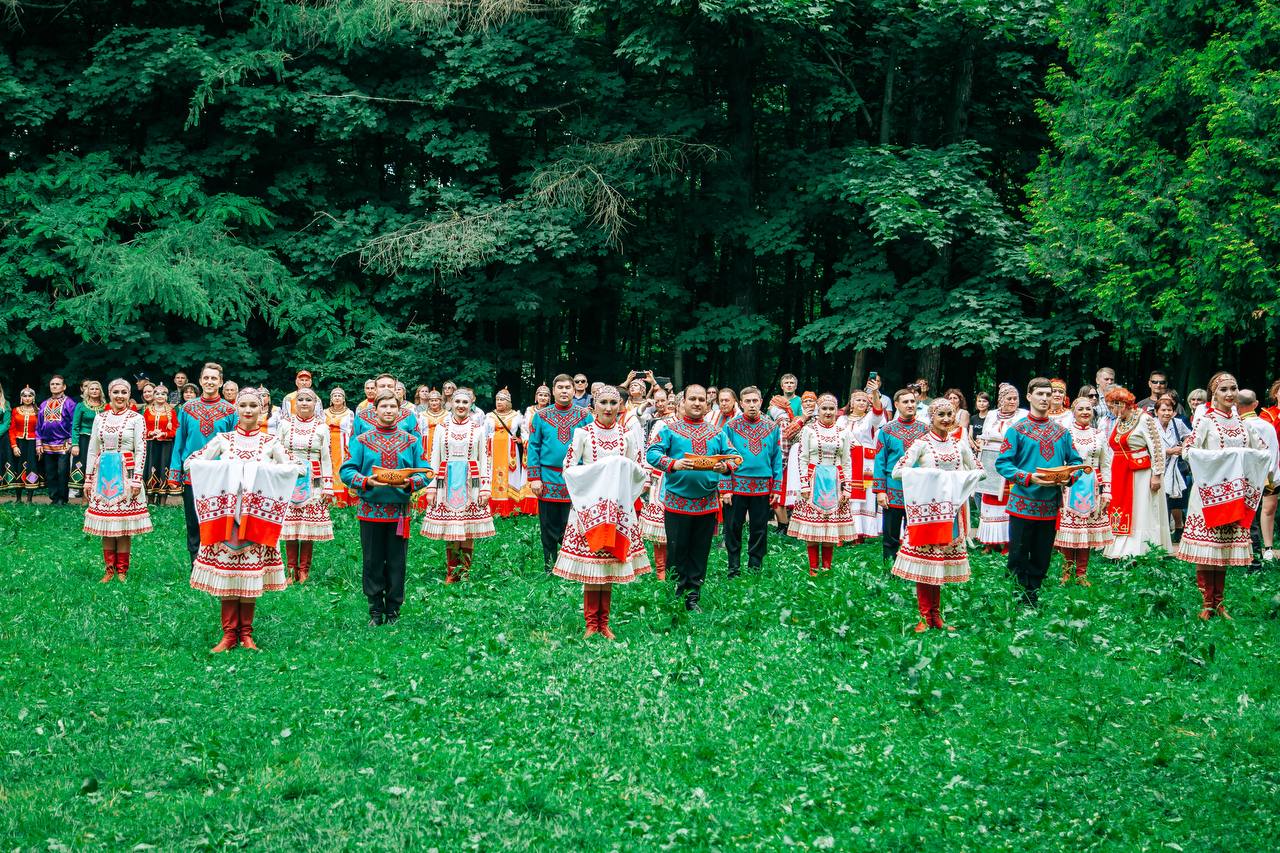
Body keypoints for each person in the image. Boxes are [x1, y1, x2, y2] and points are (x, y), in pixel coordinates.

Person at [186, 387, 297, 652]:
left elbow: (295, 468)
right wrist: (229, 470)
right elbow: (192, 462)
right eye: (243, 405)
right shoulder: (223, 439)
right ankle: (228, 635)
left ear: (262, 410)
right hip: (226, 517)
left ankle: (246, 634)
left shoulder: (271, 443)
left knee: (250, 575)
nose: (248, 410)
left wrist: (263, 471)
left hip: (256, 517)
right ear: (236, 409)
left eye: (253, 406)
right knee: (228, 575)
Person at [553, 386, 650, 637]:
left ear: (620, 406)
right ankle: (590, 623)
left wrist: (624, 476)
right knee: (591, 565)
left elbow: (638, 469)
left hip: (617, 510)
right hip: (590, 509)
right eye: (603, 402)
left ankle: (604, 623)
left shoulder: (627, 435)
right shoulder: (582, 434)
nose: (608, 408)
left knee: (609, 565)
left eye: (613, 403)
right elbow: (569, 468)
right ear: (593, 405)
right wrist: (597, 475)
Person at [1178, 373, 1269, 619]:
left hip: (1232, 496)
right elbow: (1188, 450)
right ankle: (1207, 603)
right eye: (1224, 390)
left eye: (1233, 389)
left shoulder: (1244, 424)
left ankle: (1220, 603)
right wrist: (1220, 459)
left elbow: (1263, 452)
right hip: (1208, 494)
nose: (1229, 394)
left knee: (1222, 550)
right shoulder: (1205, 420)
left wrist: (1245, 461)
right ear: (1214, 394)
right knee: (1208, 549)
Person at [646, 384, 738, 611]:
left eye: (701, 399)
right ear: (683, 402)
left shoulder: (717, 432)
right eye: (692, 399)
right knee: (677, 550)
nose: (697, 403)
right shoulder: (670, 430)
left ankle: (693, 597)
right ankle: (674, 596)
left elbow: (735, 457)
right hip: (677, 502)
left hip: (706, 503)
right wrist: (673, 464)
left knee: (700, 551)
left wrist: (724, 467)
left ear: (707, 404)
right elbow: (652, 453)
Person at [995, 377, 1084, 607]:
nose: (1045, 398)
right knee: (1018, 555)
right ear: (1029, 396)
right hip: (1023, 503)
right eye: (1040, 394)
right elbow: (1003, 463)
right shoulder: (1017, 431)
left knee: (1042, 555)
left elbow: (1076, 462)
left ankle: (1032, 596)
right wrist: (1027, 477)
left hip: (1049, 505)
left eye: (1048, 394)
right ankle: (1016, 596)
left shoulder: (1062, 433)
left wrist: (1068, 477)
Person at [340, 393, 428, 626]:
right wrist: (367, 481)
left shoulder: (411, 441)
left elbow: (426, 471)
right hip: (370, 511)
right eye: (384, 406)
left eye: (392, 406)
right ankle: (375, 611)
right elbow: (346, 471)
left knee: (397, 561)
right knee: (372, 560)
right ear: (374, 411)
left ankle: (394, 610)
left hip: (399, 512)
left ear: (399, 411)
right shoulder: (361, 440)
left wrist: (409, 483)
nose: (388, 410)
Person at [890, 398, 978, 631]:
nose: (947, 419)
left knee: (939, 565)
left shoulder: (960, 445)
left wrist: (959, 481)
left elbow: (980, 472)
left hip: (952, 512)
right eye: (941, 415)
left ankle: (936, 616)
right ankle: (923, 615)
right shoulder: (921, 444)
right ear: (931, 417)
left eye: (950, 414)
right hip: (928, 513)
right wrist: (931, 476)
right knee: (926, 563)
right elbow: (898, 472)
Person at [421, 388, 496, 582]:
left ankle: (465, 572)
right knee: (451, 528)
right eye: (457, 402)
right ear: (451, 404)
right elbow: (434, 458)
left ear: (471, 404)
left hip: (471, 481)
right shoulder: (441, 428)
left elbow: (484, 459)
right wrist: (431, 488)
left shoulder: (478, 430)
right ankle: (451, 572)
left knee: (468, 528)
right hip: (446, 482)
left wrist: (485, 488)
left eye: (465, 402)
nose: (461, 406)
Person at [83, 378, 153, 582]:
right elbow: (92, 449)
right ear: (110, 394)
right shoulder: (100, 418)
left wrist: (137, 479)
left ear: (129, 395)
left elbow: (141, 450)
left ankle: (122, 571)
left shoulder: (136, 418)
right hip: (103, 474)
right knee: (106, 525)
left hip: (126, 474)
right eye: (116, 392)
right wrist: (88, 479)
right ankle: (109, 570)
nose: (120, 396)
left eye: (124, 392)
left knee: (123, 526)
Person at [169, 363, 238, 564]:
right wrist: (175, 470)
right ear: (200, 381)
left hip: (220, 474)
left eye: (214, 378)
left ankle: (216, 561)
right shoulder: (187, 408)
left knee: (218, 520)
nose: (210, 382)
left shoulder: (230, 410)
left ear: (221, 382)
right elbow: (179, 441)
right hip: (192, 474)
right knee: (193, 520)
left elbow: (233, 445)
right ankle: (195, 563)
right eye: (206, 378)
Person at [528, 375, 593, 571]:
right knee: (548, 524)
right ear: (553, 392)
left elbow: (591, 447)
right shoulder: (540, 416)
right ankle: (549, 566)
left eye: (568, 387)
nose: (564, 391)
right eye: (560, 387)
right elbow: (534, 446)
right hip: (547, 476)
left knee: (572, 523)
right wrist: (534, 478)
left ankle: (570, 565)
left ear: (574, 391)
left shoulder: (585, 416)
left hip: (576, 477)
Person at [789, 393, 858, 575]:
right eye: (824, 409)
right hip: (813, 481)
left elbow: (846, 461)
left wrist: (847, 488)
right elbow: (802, 458)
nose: (828, 412)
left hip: (834, 482)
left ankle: (826, 568)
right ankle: (813, 568)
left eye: (831, 409)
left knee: (830, 529)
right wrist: (804, 484)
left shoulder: (844, 432)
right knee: (813, 530)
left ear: (837, 411)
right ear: (818, 411)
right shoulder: (808, 430)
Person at [1101, 386, 1172, 559]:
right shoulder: (1121, 420)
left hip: (1140, 474)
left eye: (1113, 406)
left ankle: (1141, 549)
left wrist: (1157, 474)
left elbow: (1157, 447)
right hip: (1120, 472)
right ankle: (1118, 548)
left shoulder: (1144, 419)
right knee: (1122, 509)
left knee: (1140, 509)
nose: (1112, 411)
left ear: (1123, 404)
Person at [720, 386, 782, 576]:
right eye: (747, 401)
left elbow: (776, 458)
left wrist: (777, 487)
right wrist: (725, 488)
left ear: (761, 402)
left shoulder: (772, 427)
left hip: (762, 486)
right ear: (741, 403)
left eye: (755, 401)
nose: (752, 405)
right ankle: (733, 567)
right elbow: (723, 457)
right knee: (732, 527)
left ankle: (755, 566)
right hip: (736, 485)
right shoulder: (730, 427)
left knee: (759, 528)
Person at [1054, 396, 1113, 585]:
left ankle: (1081, 574)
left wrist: (1107, 490)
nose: (1085, 412)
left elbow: (1105, 464)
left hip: (1093, 488)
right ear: (1073, 412)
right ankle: (1066, 573)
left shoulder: (1099, 435)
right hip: (1070, 486)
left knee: (1086, 533)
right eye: (1081, 409)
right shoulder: (1065, 434)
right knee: (1069, 532)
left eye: (1088, 409)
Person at [278, 388, 334, 583]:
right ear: (295, 403)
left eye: (308, 400)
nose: (303, 403)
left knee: (307, 527)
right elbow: (277, 453)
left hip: (314, 480)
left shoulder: (321, 427)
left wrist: (328, 486)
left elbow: (326, 458)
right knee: (290, 526)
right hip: (289, 479)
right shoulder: (285, 424)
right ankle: (290, 570)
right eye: (300, 399)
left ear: (315, 404)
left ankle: (304, 570)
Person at [873, 388, 930, 561]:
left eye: (913, 401)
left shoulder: (926, 430)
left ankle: (912, 567)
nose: (910, 405)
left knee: (915, 534)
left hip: (919, 488)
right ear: (896, 404)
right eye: (905, 402)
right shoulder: (887, 430)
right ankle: (889, 567)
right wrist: (880, 491)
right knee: (890, 535)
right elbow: (880, 461)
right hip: (893, 488)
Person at [976, 384, 1027, 553]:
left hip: (1011, 461)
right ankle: (990, 542)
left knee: (1007, 500)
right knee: (989, 498)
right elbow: (984, 435)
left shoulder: (1023, 415)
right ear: (1001, 400)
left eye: (1015, 398)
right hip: (991, 460)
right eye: (1009, 398)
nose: (1013, 402)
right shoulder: (991, 415)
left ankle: (1007, 542)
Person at [1237, 389, 1278, 568]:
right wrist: (1272, 476)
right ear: (1255, 404)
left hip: (1243, 477)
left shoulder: (1238, 426)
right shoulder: (1267, 425)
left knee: (1246, 517)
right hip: (1266, 476)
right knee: (1260, 513)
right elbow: (1274, 453)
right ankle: (1260, 553)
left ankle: (1250, 556)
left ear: (1237, 405)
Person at [839, 389, 885, 543]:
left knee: (866, 496)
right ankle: (842, 530)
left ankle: (860, 532)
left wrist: (875, 394)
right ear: (851, 403)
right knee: (844, 491)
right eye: (858, 400)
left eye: (864, 400)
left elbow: (878, 411)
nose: (861, 402)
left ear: (868, 404)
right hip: (846, 461)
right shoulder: (842, 420)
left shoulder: (870, 419)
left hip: (866, 464)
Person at [639, 397, 675, 579]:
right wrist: (645, 481)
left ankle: (675, 570)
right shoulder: (661, 425)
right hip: (661, 481)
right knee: (660, 531)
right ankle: (661, 572)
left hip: (684, 484)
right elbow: (650, 453)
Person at [1155, 396, 1193, 542]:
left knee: (1176, 500)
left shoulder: (1177, 423)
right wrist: (1168, 451)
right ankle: (1161, 533)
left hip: (1176, 467)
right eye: (1163, 410)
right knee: (1160, 500)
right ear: (1156, 411)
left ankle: (1178, 528)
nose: (1166, 413)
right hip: (1158, 465)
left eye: (1169, 409)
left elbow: (1190, 436)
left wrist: (1183, 446)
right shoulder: (1151, 424)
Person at [486, 389, 528, 518]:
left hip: (510, 450)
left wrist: (522, 440)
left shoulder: (516, 415)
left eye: (502, 400)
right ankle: (492, 508)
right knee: (492, 474)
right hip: (493, 449)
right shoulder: (489, 416)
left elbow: (526, 429)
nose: (499, 402)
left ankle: (511, 508)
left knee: (510, 474)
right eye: (497, 400)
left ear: (509, 402)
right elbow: (484, 433)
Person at [352, 374, 419, 441]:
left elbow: (417, 443)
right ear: (375, 389)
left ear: (395, 389)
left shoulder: (408, 415)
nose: (386, 389)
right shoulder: (361, 416)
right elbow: (354, 445)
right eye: (382, 386)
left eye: (390, 386)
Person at [143, 383, 178, 506]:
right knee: (151, 468)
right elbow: (142, 428)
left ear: (166, 396)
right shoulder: (148, 411)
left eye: (163, 394)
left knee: (164, 468)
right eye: (157, 393)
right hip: (151, 445)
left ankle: (163, 500)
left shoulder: (171, 412)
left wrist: (163, 434)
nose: (160, 396)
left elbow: (175, 430)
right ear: (153, 396)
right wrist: (151, 432)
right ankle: (150, 499)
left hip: (166, 446)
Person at [69, 380, 105, 500]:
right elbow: (75, 426)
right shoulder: (81, 406)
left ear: (100, 391)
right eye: (92, 389)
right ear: (87, 391)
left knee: (98, 464)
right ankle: (84, 497)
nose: (94, 391)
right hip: (84, 440)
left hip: (100, 440)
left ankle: (99, 496)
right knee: (83, 464)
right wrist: (75, 444)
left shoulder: (106, 406)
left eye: (97, 389)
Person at [324, 387, 356, 509]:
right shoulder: (324, 412)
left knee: (341, 468)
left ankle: (342, 501)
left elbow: (351, 430)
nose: (337, 398)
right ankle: (328, 499)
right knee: (327, 466)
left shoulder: (349, 413)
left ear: (343, 399)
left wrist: (348, 446)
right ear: (331, 399)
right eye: (335, 396)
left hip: (343, 443)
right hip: (327, 442)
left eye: (340, 396)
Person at [1259, 380, 1280, 560]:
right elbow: (1266, 436)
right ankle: (1268, 548)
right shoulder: (1267, 415)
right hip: (1273, 468)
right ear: (1276, 394)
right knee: (1269, 506)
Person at [7, 387, 40, 500]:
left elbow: (40, 430)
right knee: (19, 467)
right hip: (19, 443)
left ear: (33, 398)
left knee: (32, 467)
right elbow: (12, 429)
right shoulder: (16, 410)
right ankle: (18, 498)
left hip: (33, 443)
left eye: (30, 396)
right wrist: (14, 446)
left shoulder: (38, 411)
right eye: (25, 396)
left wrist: (39, 445)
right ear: (21, 397)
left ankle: (30, 499)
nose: (27, 398)